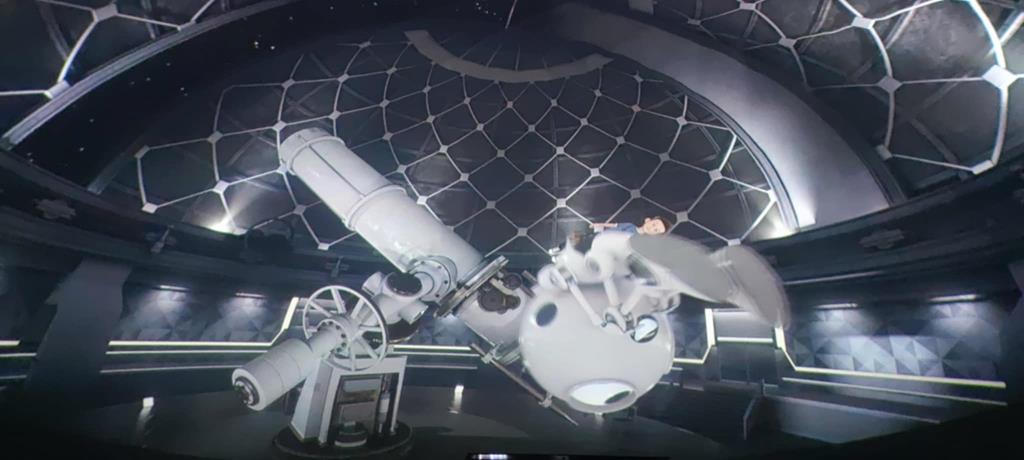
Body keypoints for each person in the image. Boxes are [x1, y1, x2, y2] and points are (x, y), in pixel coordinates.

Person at [591, 215, 670, 235]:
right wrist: (599, 225)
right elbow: (614, 225)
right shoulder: (630, 225)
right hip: (603, 236)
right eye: (654, 224)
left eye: (656, 230)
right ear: (648, 220)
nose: (652, 228)